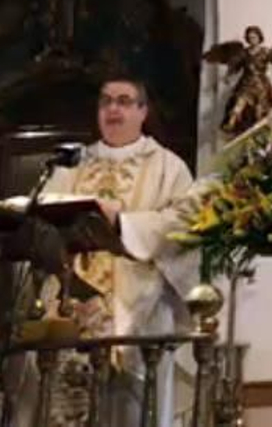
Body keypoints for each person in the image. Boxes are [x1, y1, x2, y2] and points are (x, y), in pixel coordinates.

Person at [37, 75, 199, 427]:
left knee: (132, 413)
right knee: (66, 407)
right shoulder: (72, 164)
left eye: (124, 101)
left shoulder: (168, 167)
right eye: (105, 101)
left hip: (140, 309)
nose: (112, 108)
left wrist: (123, 223)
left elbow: (185, 225)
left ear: (143, 111)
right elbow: (43, 216)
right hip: (71, 303)